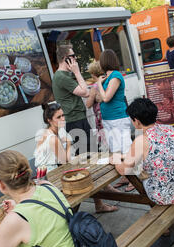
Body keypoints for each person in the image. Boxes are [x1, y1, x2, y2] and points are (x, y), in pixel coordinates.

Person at [110, 98, 174, 230]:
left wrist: (117, 159)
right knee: (159, 170)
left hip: (169, 194)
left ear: (137, 121)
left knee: (142, 177)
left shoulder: (142, 140)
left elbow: (124, 170)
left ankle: (168, 225)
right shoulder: (169, 129)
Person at [34, 103, 118, 213]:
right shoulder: (51, 137)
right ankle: (93, 206)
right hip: (49, 175)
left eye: (63, 115)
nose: (63, 119)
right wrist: (69, 143)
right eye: (58, 117)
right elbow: (65, 160)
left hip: (56, 168)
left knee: (87, 170)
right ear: (49, 120)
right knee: (86, 176)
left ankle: (98, 203)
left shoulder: (58, 130)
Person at [96, 49, 134, 191]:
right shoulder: (107, 77)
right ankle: (125, 176)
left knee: (126, 148)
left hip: (118, 118)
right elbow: (100, 98)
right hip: (108, 119)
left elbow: (105, 97)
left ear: (105, 62)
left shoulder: (116, 76)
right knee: (116, 150)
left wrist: (98, 84)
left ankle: (134, 178)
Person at [52, 45, 93, 155]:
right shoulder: (61, 77)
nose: (75, 59)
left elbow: (86, 92)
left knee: (92, 151)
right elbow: (85, 92)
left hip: (78, 118)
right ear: (66, 58)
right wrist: (77, 72)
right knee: (87, 154)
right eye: (73, 56)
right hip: (74, 120)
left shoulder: (65, 75)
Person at [85, 60, 107, 151]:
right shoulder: (108, 81)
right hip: (111, 115)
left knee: (105, 144)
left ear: (93, 74)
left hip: (101, 119)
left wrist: (90, 95)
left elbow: (88, 104)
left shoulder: (95, 87)